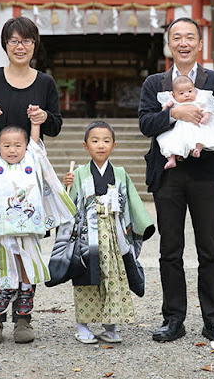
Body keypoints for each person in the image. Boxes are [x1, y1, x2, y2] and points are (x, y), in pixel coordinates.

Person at [138, 17, 214, 346]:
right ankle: (173, 318)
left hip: (205, 173)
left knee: (209, 248)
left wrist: (199, 134)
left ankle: (213, 320)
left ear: (199, 44)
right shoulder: (155, 83)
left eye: (190, 37)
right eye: (177, 37)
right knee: (170, 249)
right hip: (168, 175)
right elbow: (145, 123)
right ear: (169, 44)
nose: (183, 42)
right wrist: (174, 114)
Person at [0, 16, 63, 344]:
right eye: (13, 40)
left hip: (29, 181)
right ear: (5, 44)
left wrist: (44, 117)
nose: (20, 46)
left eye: (26, 40)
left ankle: (23, 319)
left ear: (35, 45)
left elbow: (55, 126)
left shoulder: (45, 83)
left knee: (26, 247)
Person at [54, 120, 154, 344]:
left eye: (106, 141)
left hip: (113, 233)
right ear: (85, 146)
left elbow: (132, 204)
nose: (101, 145)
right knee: (86, 278)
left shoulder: (120, 173)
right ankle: (82, 326)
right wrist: (65, 185)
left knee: (113, 278)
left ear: (114, 145)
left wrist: (140, 227)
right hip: (87, 236)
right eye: (95, 141)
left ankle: (110, 325)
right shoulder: (78, 173)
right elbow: (69, 204)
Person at [0, 109, 75, 326]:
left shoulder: (31, 156)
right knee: (3, 257)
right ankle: (6, 289)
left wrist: (34, 123)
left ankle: (26, 291)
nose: (12, 150)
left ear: (26, 146)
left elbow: (35, 141)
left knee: (27, 256)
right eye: (6, 145)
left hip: (28, 222)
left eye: (18, 145)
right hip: (2, 224)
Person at [157, 75, 214, 169]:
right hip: (179, 130)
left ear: (195, 91)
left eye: (190, 91)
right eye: (181, 93)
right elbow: (163, 113)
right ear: (173, 95)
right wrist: (168, 107)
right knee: (168, 141)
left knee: (200, 137)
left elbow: (208, 110)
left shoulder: (199, 101)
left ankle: (197, 150)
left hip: (196, 126)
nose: (187, 95)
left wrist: (205, 118)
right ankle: (171, 159)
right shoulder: (174, 102)